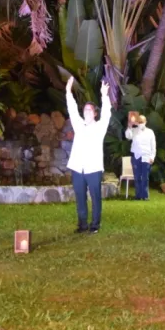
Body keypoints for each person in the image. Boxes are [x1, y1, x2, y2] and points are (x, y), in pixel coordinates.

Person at [66, 77, 112, 233]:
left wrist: (104, 95)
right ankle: (82, 224)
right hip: (78, 168)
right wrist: (68, 91)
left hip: (93, 169)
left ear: (95, 114)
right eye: (85, 110)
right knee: (80, 197)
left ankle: (95, 225)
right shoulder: (79, 125)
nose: (86, 112)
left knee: (95, 197)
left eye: (89, 110)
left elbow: (107, 114)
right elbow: (72, 110)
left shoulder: (100, 127)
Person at [124, 114, 156, 200]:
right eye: (139, 121)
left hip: (146, 156)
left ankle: (145, 196)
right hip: (136, 156)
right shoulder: (134, 130)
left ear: (146, 122)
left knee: (145, 177)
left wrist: (152, 157)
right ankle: (138, 195)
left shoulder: (150, 132)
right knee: (137, 177)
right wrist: (129, 126)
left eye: (142, 121)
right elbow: (128, 136)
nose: (140, 123)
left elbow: (153, 146)